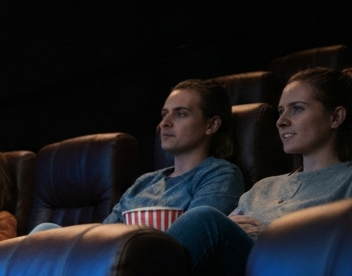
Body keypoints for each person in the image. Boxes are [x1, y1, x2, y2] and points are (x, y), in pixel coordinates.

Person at [165, 67, 351, 276]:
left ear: (336, 117)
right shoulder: (264, 186)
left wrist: (273, 238)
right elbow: (225, 234)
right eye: (281, 111)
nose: (281, 121)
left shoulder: (347, 180)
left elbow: (343, 257)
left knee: (204, 218)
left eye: (297, 109)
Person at [30, 79, 246, 238]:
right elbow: (104, 233)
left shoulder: (220, 174)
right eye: (164, 114)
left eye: (180, 113)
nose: (165, 123)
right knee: (44, 231)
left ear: (211, 125)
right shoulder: (145, 181)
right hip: (117, 263)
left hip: (164, 270)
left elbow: (197, 234)